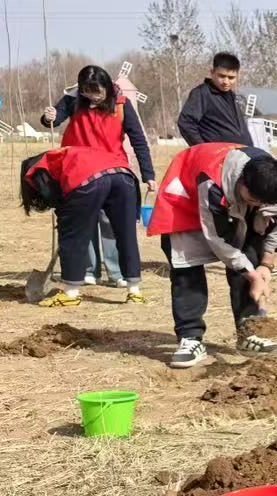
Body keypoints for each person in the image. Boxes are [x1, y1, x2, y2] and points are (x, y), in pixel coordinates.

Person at [146, 142, 277, 369]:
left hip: (232, 203)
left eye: (263, 203)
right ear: (242, 183)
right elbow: (216, 239)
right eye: (253, 199)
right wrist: (252, 275)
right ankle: (190, 338)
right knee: (186, 265)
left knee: (251, 256)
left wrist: (265, 265)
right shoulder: (212, 184)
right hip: (186, 197)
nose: (256, 205)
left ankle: (250, 331)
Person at [41, 64, 157, 286]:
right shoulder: (73, 102)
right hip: (79, 173)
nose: (91, 96)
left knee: (112, 223)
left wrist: (148, 174)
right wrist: (49, 117)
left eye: (97, 92)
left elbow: (138, 140)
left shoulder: (122, 106)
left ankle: (116, 273)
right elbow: (53, 121)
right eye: (86, 91)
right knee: (84, 222)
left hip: (112, 170)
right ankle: (88, 271)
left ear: (107, 88)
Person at [19, 145, 147, 307]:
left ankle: (70, 294)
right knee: (125, 235)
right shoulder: (66, 154)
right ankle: (134, 292)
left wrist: (67, 224)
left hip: (89, 179)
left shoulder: (37, 169)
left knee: (72, 237)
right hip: (124, 176)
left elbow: (58, 202)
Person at [177, 53, 255, 147]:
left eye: (231, 78)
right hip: (218, 156)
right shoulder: (202, 93)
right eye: (222, 76)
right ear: (212, 72)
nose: (226, 82)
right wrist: (203, 148)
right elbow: (186, 123)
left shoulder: (232, 97)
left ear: (237, 76)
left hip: (242, 155)